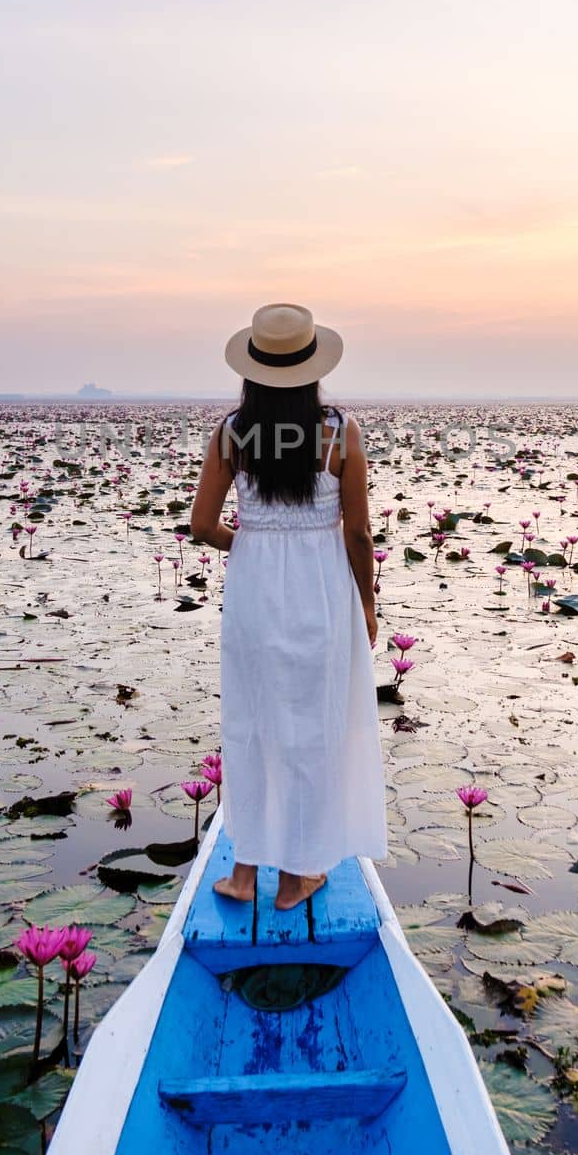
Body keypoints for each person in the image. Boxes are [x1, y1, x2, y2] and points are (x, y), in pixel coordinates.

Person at [190, 302, 389, 911]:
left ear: (252, 369)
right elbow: (357, 534)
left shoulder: (233, 432)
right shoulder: (340, 433)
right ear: (311, 368)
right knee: (314, 726)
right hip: (321, 589)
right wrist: (368, 603)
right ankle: (301, 875)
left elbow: (201, 526)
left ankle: (244, 873)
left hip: (253, 589)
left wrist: (251, 542)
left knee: (250, 724)